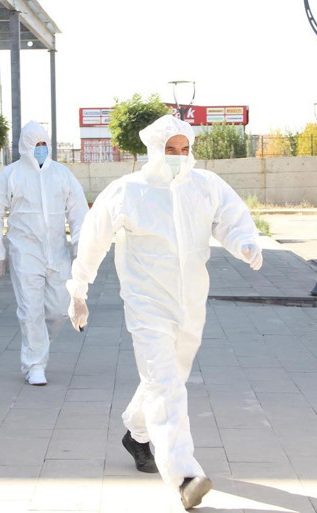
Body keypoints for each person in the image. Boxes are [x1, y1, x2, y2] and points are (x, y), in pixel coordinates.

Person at [66, 115, 262, 510]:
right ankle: (184, 476)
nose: (178, 157)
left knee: (170, 376)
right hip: (146, 303)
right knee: (165, 385)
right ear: (155, 149)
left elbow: (231, 217)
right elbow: (93, 238)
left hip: (190, 301)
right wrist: (78, 289)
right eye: (170, 150)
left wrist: (243, 242)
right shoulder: (128, 191)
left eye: (185, 150)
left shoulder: (204, 185)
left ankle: (136, 434)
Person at [0, 120, 88, 386]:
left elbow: (78, 210)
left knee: (57, 311)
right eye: (36, 145)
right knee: (31, 311)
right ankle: (35, 365)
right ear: (25, 146)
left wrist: (80, 246)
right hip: (25, 252)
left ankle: (38, 345)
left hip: (58, 251)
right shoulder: (11, 175)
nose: (40, 149)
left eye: (44, 144)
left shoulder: (62, 174)